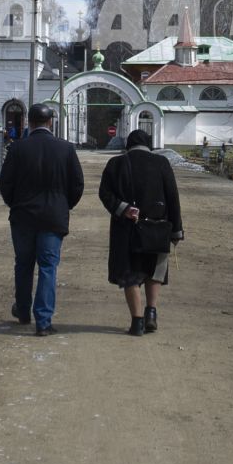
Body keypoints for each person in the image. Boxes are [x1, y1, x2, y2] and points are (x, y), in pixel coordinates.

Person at [0, 102, 84, 336]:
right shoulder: (66, 149)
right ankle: (44, 321)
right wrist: (64, 206)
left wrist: (15, 204)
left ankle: (23, 311)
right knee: (48, 267)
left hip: (23, 217)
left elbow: (5, 183)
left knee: (23, 264)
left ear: (29, 122)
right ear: (50, 122)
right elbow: (77, 185)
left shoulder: (18, 148)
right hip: (53, 218)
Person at [97, 129, 184, 336]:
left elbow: (105, 193)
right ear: (149, 144)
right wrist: (177, 230)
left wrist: (124, 208)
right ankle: (151, 313)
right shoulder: (161, 163)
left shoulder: (116, 164)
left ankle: (137, 322)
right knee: (155, 271)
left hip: (126, 230)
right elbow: (173, 197)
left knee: (131, 275)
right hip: (158, 227)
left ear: (128, 144)